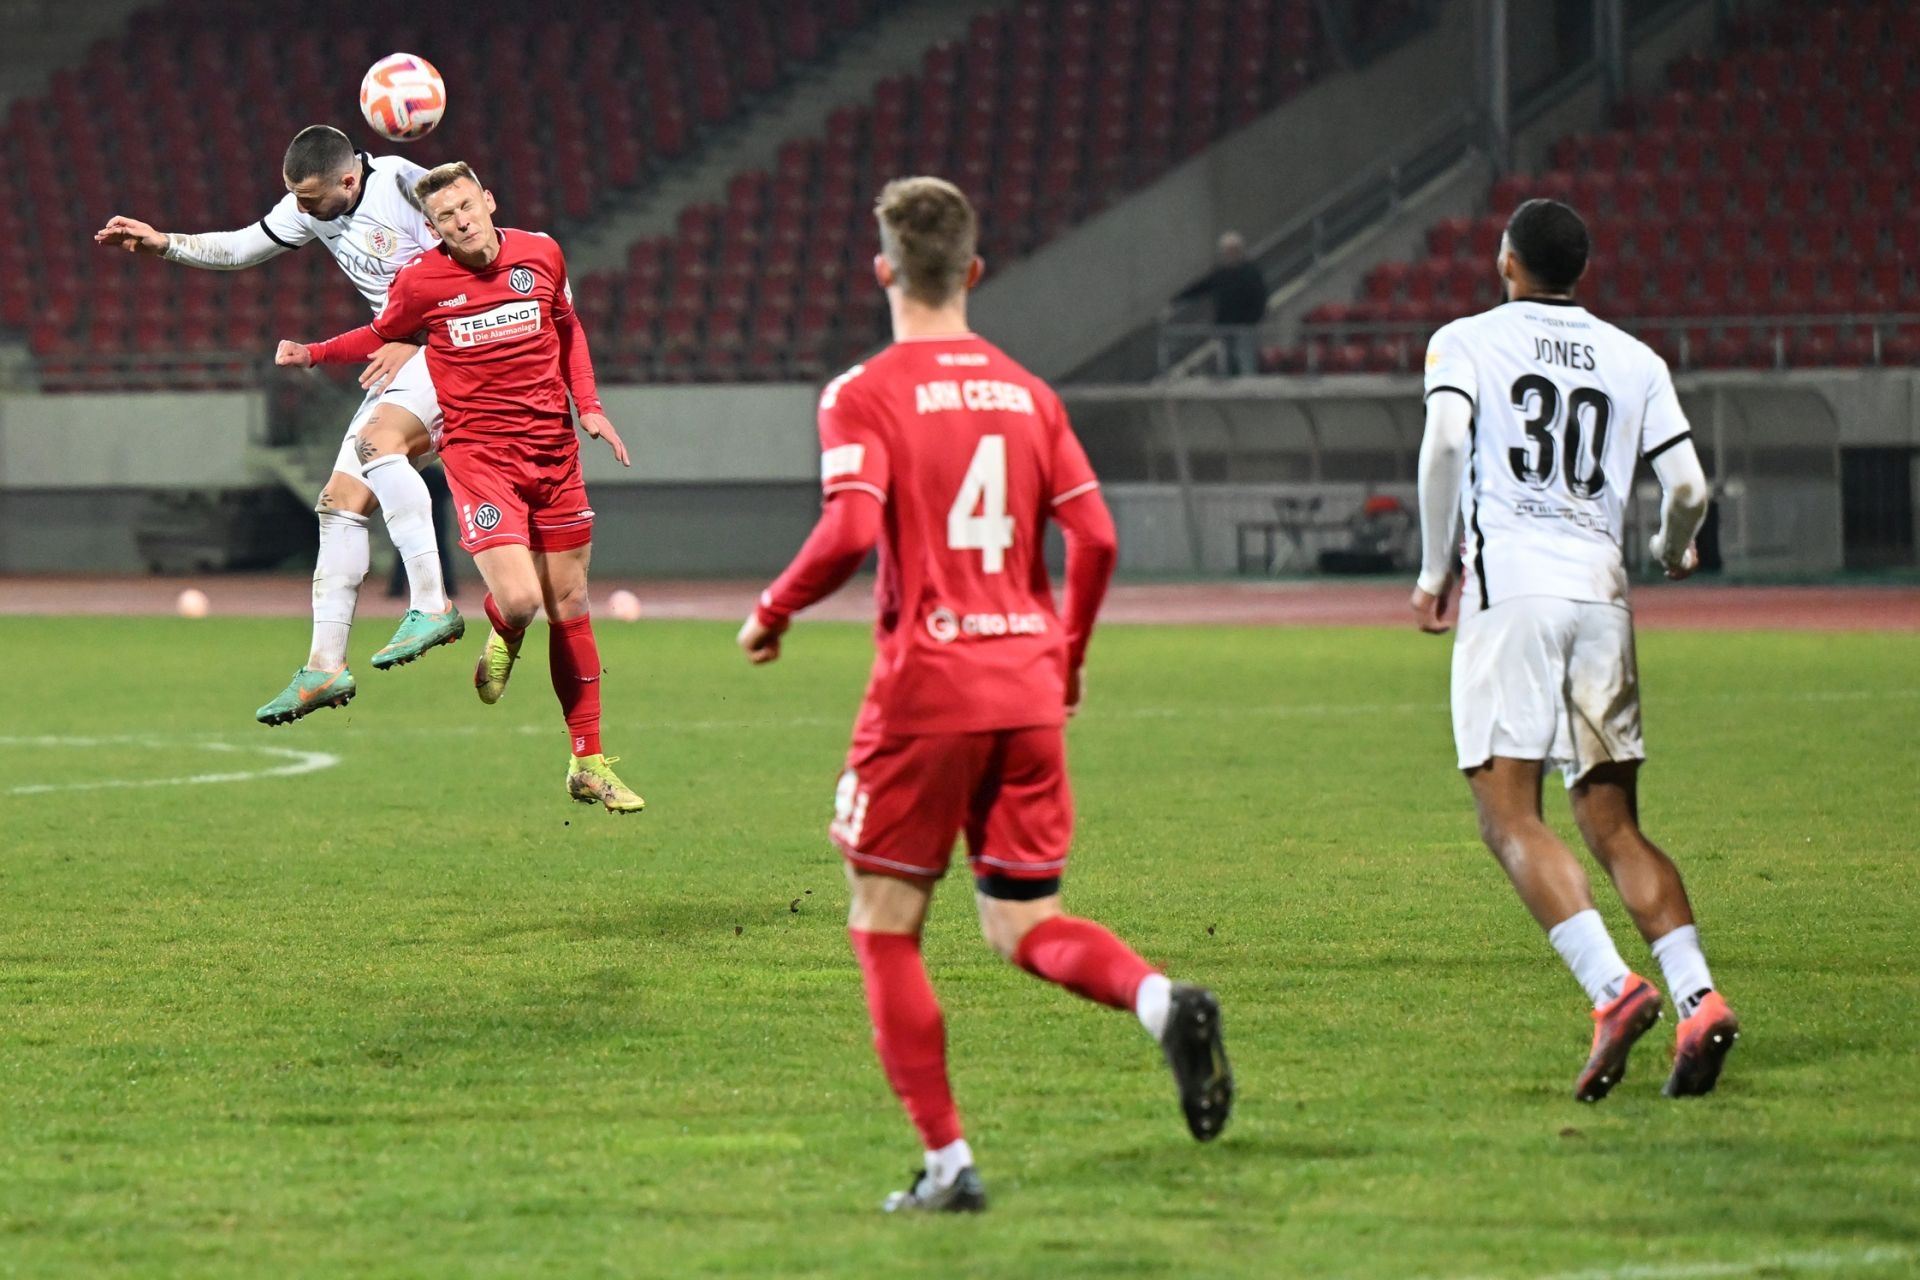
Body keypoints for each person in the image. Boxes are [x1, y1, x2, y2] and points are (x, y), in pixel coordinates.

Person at [737, 177, 1233, 1212]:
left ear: (883, 270)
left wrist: (773, 610)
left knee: (884, 922)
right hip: (1027, 686)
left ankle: (949, 1165)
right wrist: (1070, 657)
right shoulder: (1029, 393)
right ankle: (1160, 1000)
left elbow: (850, 530)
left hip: (928, 688)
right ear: (974, 271)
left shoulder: (862, 391)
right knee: (1022, 922)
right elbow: (1096, 536)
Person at [1410, 198, 1740, 1101]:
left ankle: (1612, 987)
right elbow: (1688, 487)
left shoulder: (1466, 340)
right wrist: (1672, 550)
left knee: (1508, 815)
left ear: (1506, 261)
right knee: (1614, 824)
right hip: (1602, 594)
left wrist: (1435, 570)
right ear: (1580, 270)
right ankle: (1699, 997)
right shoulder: (1636, 359)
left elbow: (1445, 443)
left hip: (1512, 589)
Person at [276, 162, 643, 814]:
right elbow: (380, 334)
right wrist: (315, 352)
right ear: (433, 226)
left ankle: (587, 763)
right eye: (445, 217)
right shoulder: (423, 282)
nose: (461, 222)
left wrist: (588, 405)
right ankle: (504, 631)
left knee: (570, 602)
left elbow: (568, 327)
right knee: (522, 599)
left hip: (554, 453)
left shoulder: (541, 254)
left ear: (489, 201)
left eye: (467, 207)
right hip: (481, 457)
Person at [94, 125, 464, 725]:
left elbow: (473, 250)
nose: (302, 209)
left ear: (349, 180)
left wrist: (418, 333)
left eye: (311, 199)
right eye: (296, 197)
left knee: (377, 445)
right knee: (338, 504)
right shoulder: (311, 204)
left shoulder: (403, 183)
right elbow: (242, 247)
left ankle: (431, 601)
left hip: (452, 343)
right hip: (405, 350)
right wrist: (163, 243)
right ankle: (324, 667)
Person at [1175, 231, 1268, 375]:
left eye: (1233, 250)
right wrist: (1179, 298)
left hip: (1245, 325)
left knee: (1246, 360)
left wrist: (1254, 318)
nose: (1230, 254)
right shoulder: (1220, 273)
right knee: (1226, 361)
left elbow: (1260, 296)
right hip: (1224, 324)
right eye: (1227, 251)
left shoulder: (1251, 272)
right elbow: (1202, 287)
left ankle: (1248, 385)